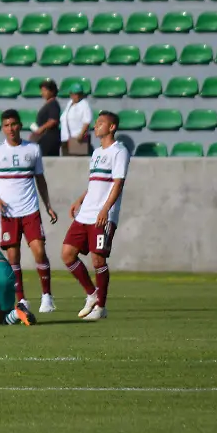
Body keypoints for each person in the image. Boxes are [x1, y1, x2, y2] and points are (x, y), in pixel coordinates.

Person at [0, 109, 59, 314]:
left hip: (30, 210)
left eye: (13, 124)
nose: (10, 129)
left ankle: (47, 296)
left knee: (39, 251)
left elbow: (40, 180)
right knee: (13, 257)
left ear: (20, 125)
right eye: (6, 125)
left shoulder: (33, 149)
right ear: (3, 128)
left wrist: (48, 205)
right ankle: (22, 300)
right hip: (8, 213)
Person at [62, 111, 129, 322]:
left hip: (103, 215)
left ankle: (101, 307)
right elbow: (95, 182)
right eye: (96, 123)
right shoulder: (96, 152)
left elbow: (118, 183)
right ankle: (92, 294)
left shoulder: (119, 151)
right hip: (86, 213)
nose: (96, 126)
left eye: (101, 123)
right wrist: (80, 200)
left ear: (112, 127)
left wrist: (105, 209)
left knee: (98, 260)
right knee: (67, 254)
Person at [59, 83, 93, 156]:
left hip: (77, 139)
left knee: (77, 160)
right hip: (66, 138)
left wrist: (81, 135)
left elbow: (87, 121)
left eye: (79, 94)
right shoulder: (69, 103)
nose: (77, 96)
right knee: (66, 160)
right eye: (74, 94)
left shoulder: (84, 104)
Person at [30, 79, 61, 158]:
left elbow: (53, 120)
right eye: (42, 91)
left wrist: (41, 129)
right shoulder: (48, 104)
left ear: (52, 91)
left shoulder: (53, 104)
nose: (42, 93)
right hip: (43, 139)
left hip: (49, 139)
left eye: (45, 90)